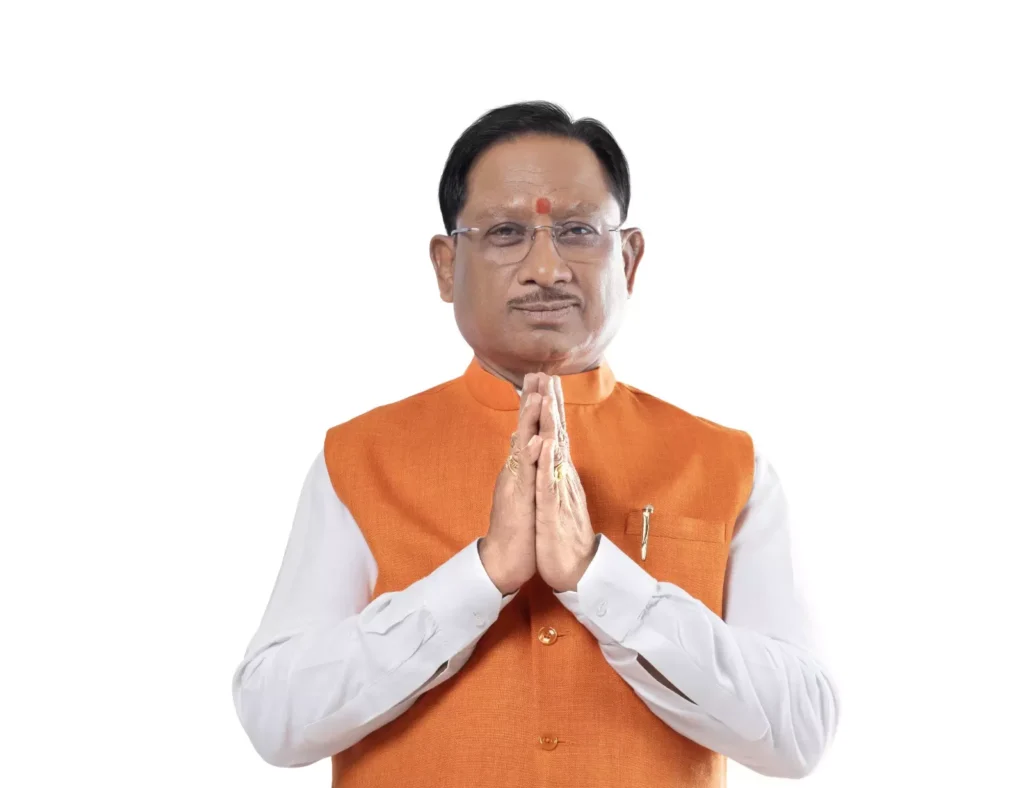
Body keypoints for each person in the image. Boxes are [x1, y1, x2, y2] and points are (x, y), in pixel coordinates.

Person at [231, 101, 839, 787]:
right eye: (506, 233)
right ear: (446, 266)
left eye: (578, 231)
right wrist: (481, 577)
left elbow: (800, 734)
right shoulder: (359, 458)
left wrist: (598, 578)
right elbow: (275, 719)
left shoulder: (727, 466)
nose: (546, 268)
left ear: (629, 259)